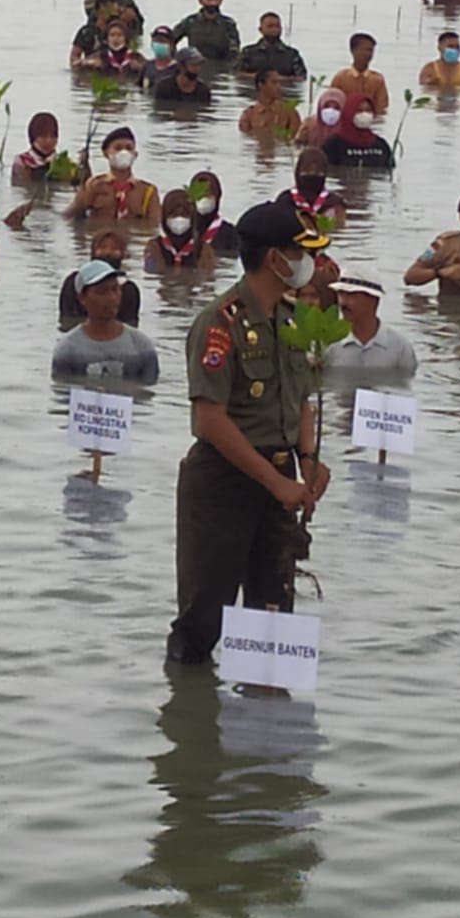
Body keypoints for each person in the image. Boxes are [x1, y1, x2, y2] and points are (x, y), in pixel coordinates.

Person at [166, 202, 331, 664]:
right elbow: (210, 420)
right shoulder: (220, 323)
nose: (308, 263)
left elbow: (299, 399)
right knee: (204, 622)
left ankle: (264, 723)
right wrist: (276, 481)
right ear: (274, 257)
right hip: (224, 480)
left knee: (273, 620)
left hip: (278, 482)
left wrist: (309, 460)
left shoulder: (293, 319)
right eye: (300, 252)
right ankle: (193, 720)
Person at [51, 260, 160, 382]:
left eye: (115, 289)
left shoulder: (142, 347)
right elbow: (63, 395)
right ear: (82, 298)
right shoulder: (67, 351)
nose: (112, 298)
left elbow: (148, 395)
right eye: (101, 292)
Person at [326, 274, 417, 376]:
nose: (343, 302)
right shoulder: (329, 345)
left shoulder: (400, 348)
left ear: (373, 300)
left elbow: (407, 386)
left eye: (351, 295)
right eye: (341, 294)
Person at [64, 128, 158, 223]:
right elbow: (71, 216)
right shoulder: (94, 185)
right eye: (118, 148)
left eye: (129, 148)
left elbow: (154, 226)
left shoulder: (148, 191)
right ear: (105, 153)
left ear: (135, 154)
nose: (124, 152)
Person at [59, 229, 142, 328]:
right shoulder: (73, 282)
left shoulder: (129, 290)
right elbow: (66, 318)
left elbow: (130, 325)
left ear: (123, 254)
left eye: (114, 249)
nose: (108, 252)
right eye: (102, 247)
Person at [144, 189, 216, 272]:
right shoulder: (153, 247)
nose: (179, 219)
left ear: (193, 218)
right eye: (173, 215)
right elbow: (151, 274)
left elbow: (208, 277)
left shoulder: (204, 250)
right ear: (164, 217)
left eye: (185, 215)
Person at [277, 148, 347, 229]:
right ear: (297, 172)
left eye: (318, 172)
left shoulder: (335, 203)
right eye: (306, 172)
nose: (312, 175)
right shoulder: (285, 200)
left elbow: (338, 230)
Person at [171, 0, 240, 62]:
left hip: (220, 69)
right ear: (201, 1)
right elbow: (170, 40)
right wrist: (176, 61)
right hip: (195, 69)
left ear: (220, 1)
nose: (213, 3)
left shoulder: (228, 24)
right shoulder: (190, 22)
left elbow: (235, 51)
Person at [323, 95, 394, 170]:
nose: (364, 114)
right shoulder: (333, 145)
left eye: (368, 110)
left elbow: (389, 171)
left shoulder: (381, 145)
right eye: (359, 110)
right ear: (349, 113)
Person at [330, 32, 390, 114]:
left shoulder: (377, 80)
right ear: (353, 50)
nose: (369, 54)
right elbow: (332, 105)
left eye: (371, 51)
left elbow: (381, 108)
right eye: (366, 50)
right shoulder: (341, 78)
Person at [237, 12, 307, 78]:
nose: (274, 29)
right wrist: (261, 77)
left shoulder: (292, 54)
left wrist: (279, 79)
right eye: (270, 26)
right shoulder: (248, 52)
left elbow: (301, 77)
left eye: (277, 26)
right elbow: (236, 74)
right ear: (260, 29)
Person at [237, 69, 299, 138]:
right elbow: (246, 140)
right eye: (274, 82)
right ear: (261, 85)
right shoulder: (248, 116)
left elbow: (296, 139)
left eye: (279, 83)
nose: (279, 87)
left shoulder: (289, 112)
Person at [190, 170, 239, 257]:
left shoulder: (230, 233)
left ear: (217, 196)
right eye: (199, 194)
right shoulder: (183, 231)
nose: (203, 199)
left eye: (207, 193)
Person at [13, 111, 60, 182]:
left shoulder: (62, 162)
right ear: (33, 138)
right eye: (44, 136)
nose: (49, 141)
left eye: (53, 136)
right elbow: (21, 187)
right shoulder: (22, 161)